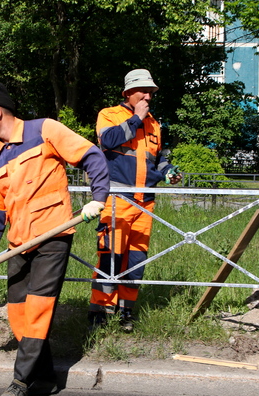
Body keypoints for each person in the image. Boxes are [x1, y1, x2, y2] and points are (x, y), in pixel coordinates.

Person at [0, 83, 109, 396]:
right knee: (17, 312)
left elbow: (91, 155)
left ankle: (19, 382)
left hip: (54, 235)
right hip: (19, 242)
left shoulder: (43, 130)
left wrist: (97, 199)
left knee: (39, 310)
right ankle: (44, 376)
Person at [88, 69, 182, 332]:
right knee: (110, 258)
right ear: (128, 92)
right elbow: (108, 141)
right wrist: (136, 118)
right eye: (143, 91)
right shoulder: (109, 115)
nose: (148, 96)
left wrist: (169, 171)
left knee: (136, 261)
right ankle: (99, 312)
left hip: (145, 203)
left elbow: (158, 159)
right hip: (116, 200)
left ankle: (125, 312)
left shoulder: (154, 124)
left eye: (151, 91)